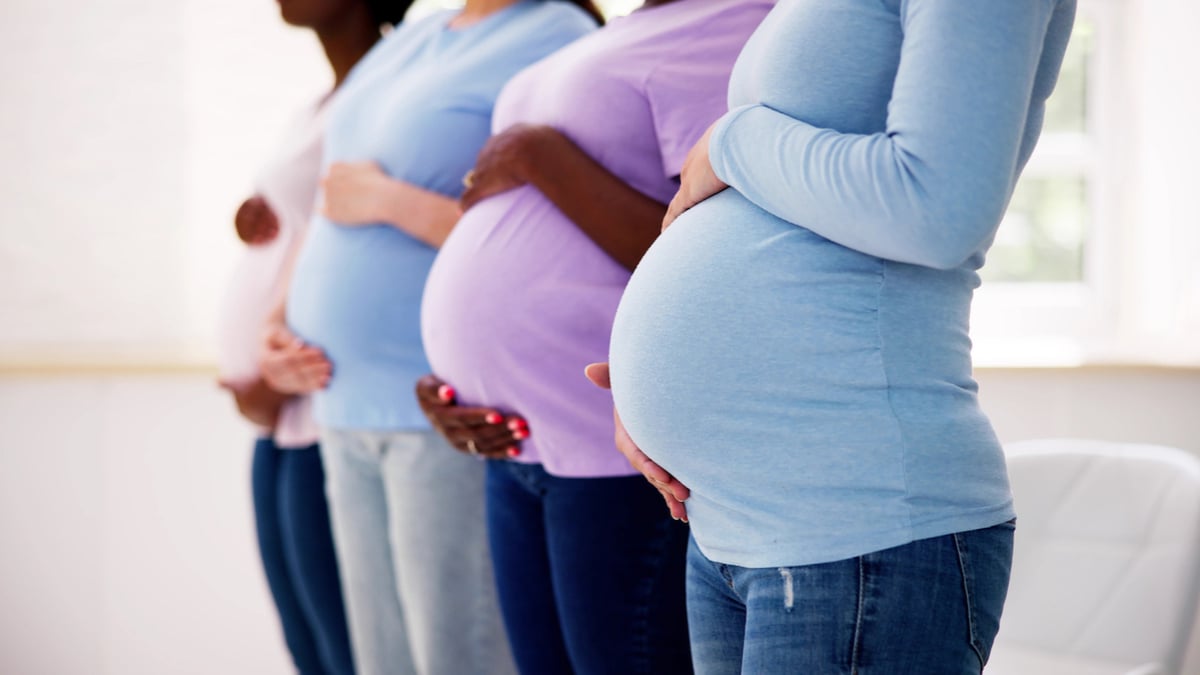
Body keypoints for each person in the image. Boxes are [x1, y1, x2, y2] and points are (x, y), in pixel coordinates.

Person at [597, 1, 1078, 672]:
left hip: (856, 528)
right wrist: (651, 378)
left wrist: (732, 142)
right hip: (730, 526)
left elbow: (938, 210)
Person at [414, 0, 771, 671]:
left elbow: (716, 253)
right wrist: (459, 367)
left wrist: (535, 153)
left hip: (615, 451)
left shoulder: (741, 21)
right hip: (515, 444)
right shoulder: (631, 29)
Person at [268, 2, 599, 673]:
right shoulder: (418, 35)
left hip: (439, 410)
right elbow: (333, 194)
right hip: (342, 402)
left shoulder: (556, 33)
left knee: (458, 656)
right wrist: (277, 321)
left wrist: (391, 201)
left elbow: (557, 232)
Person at [216, 1, 409, 673]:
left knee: (345, 650)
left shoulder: (394, 84)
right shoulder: (325, 98)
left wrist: (268, 374)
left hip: (321, 405)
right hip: (279, 412)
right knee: (308, 647)